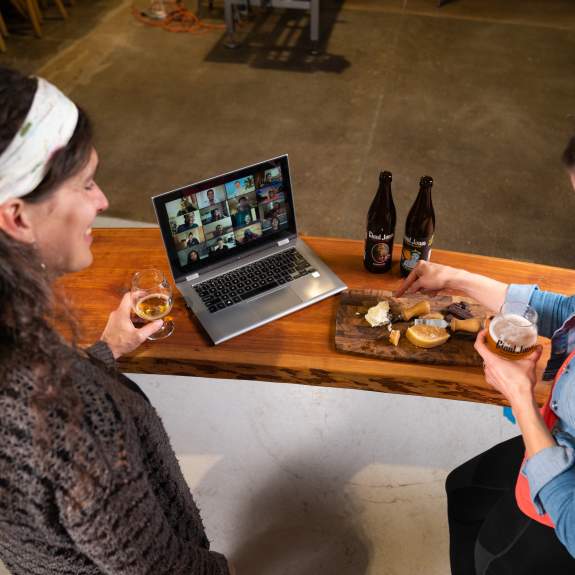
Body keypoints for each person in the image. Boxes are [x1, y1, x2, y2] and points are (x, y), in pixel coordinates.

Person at [0, 67, 233, 575]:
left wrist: (104, 353)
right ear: (17, 217)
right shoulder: (72, 417)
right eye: (85, 184)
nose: (103, 201)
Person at [395, 135, 575, 574]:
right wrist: (459, 279)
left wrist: (519, 397)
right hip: (556, 437)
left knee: (490, 560)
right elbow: (569, 312)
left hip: (560, 503)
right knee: (464, 491)